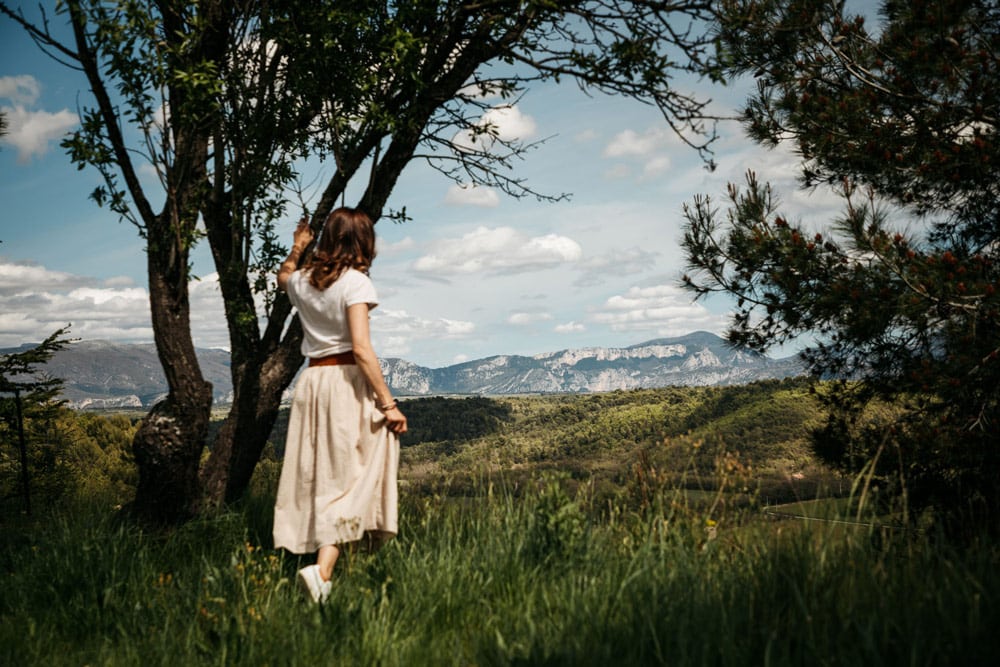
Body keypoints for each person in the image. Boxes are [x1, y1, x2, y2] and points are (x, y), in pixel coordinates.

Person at [272, 206, 407, 604]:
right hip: (347, 381)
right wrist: (389, 404)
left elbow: (283, 277)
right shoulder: (356, 285)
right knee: (358, 472)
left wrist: (298, 248)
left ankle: (327, 567)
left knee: (328, 474)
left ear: (329, 238)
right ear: (364, 241)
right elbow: (362, 349)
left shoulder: (303, 282)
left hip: (313, 382)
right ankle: (323, 569)